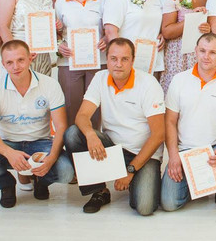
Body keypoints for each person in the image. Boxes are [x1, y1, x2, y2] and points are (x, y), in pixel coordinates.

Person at [63, 38, 165, 215]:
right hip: (114, 149)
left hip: (143, 154)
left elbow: (158, 135)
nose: (118, 64)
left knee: (145, 207)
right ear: (107, 59)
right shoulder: (100, 78)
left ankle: (138, 179)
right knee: (73, 134)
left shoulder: (149, 84)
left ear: (132, 61)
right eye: (113, 58)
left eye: (124, 59)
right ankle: (99, 191)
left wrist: (131, 170)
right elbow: (82, 116)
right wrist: (91, 134)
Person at [0, 40, 74, 208]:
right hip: (7, 142)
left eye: (20, 60)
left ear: (30, 58)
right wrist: (9, 153)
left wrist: (51, 159)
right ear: (3, 64)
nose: (16, 67)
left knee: (66, 172)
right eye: (10, 62)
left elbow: (61, 127)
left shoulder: (49, 84)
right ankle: (7, 185)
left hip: (40, 143)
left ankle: (41, 181)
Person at [161, 33, 216, 211]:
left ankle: (212, 183)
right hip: (185, 149)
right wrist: (173, 156)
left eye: (212, 52)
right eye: (202, 51)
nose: (206, 56)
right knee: (169, 204)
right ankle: (199, 183)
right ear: (195, 51)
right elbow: (170, 121)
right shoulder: (179, 80)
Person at [54, 0, 107, 128]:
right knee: (71, 107)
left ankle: (94, 142)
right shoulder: (61, 1)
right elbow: (54, 33)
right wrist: (59, 46)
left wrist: (106, 39)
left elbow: (109, 29)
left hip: (98, 61)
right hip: (69, 62)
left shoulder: (102, 1)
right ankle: (72, 144)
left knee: (95, 109)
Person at [103, 0, 166, 75]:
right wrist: (122, 58)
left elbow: (156, 24)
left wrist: (162, 35)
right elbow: (110, 32)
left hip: (152, 61)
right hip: (126, 63)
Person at [160, 0, 212, 92]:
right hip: (178, 55)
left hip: (199, 54)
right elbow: (167, 32)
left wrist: (207, 29)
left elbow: (208, 30)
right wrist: (191, 19)